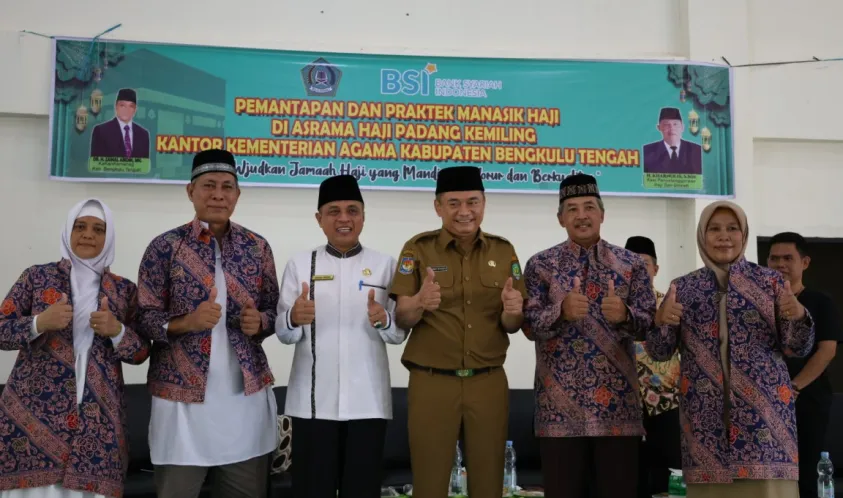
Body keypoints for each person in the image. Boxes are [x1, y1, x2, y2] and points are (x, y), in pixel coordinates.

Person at [136, 149, 279, 498]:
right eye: (209, 185)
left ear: (237, 194)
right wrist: (187, 322)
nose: (218, 194)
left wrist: (260, 321)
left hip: (244, 401)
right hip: (180, 405)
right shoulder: (164, 247)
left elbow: (275, 311)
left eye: (227, 186)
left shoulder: (257, 247)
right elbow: (143, 317)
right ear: (191, 191)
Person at [646, 201, 814, 498]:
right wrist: (661, 322)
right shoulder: (683, 288)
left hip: (764, 426)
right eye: (714, 229)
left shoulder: (771, 283)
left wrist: (799, 316)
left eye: (732, 228)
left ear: (744, 234)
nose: (724, 236)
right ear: (702, 235)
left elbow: (798, 347)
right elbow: (660, 352)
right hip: (704, 424)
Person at [389, 165, 526, 498]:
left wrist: (513, 311)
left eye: (472, 202)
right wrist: (419, 302)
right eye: (454, 203)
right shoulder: (418, 248)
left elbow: (512, 325)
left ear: (484, 203)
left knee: (489, 483)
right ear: (438, 207)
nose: (464, 211)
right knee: (429, 483)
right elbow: (403, 317)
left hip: (487, 381)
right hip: (432, 381)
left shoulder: (503, 251)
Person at [0, 198, 150, 498]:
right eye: (80, 227)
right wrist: (39, 322)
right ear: (68, 231)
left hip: (99, 412)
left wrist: (117, 331)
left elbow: (141, 352)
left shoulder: (124, 290)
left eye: (98, 229)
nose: (88, 235)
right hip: (35, 411)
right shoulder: (36, 277)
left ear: (109, 237)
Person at [522, 174, 656, 498]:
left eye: (589, 207)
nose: (581, 215)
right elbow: (528, 325)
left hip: (617, 412)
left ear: (602, 214)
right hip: (559, 412)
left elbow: (651, 325)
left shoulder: (631, 265)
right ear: (560, 218)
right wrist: (561, 311)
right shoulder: (540, 265)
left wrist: (625, 314)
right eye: (572, 209)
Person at [276, 174, 408, 498]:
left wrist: (384, 320)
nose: (344, 218)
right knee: (311, 491)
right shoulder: (299, 264)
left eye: (352, 210)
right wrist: (293, 317)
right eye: (333, 211)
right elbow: (283, 333)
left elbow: (398, 335)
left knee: (361, 491)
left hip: (368, 403)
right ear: (319, 219)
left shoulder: (385, 265)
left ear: (363, 217)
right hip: (312, 406)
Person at [767, 231, 842, 498]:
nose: (780, 264)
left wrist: (794, 387)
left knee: (806, 474)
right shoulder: (760, 303)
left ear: (805, 262)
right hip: (765, 403)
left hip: (807, 400)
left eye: (788, 258)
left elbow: (827, 351)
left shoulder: (820, 302)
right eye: (774, 258)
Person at [624, 236, 682, 498]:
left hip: (667, 405)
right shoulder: (612, 309)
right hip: (623, 408)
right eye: (631, 264)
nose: (637, 269)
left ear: (655, 269)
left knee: (667, 481)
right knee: (627, 480)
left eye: (644, 264)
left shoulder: (671, 304)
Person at [89, 88, 151, 159]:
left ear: (135, 110)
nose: (126, 109)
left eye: (131, 106)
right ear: (116, 107)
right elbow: (96, 163)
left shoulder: (143, 135)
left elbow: (144, 163)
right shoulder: (101, 131)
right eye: (122, 105)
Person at [642, 107, 702, 175]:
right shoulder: (647, 151)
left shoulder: (697, 151)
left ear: (682, 127)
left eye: (675, 124)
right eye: (666, 125)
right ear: (659, 127)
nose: (672, 128)